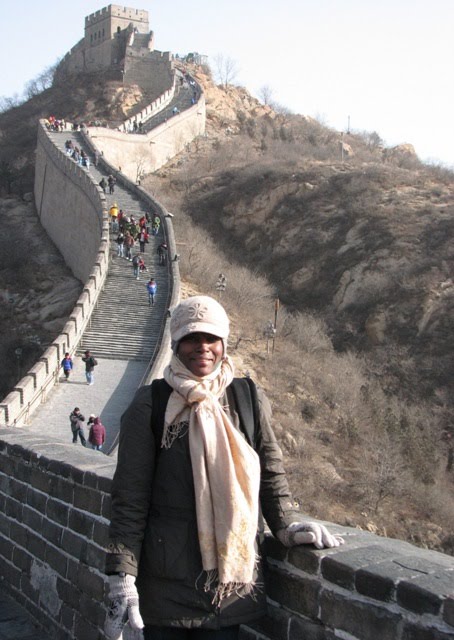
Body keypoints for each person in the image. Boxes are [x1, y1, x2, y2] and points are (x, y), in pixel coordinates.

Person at [104, 296, 343, 640]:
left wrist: (287, 524)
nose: (202, 348)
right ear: (175, 344)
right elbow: (129, 498)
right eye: (191, 338)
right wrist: (121, 577)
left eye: (211, 338)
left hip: (232, 592)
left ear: (223, 344)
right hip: (166, 588)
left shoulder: (246, 398)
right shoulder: (151, 404)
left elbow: (271, 474)